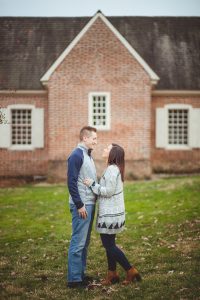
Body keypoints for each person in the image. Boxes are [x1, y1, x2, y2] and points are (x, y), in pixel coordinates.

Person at [84, 143, 142, 285]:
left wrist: (92, 184)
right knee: (110, 244)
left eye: (107, 148)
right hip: (113, 214)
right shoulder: (114, 169)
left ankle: (130, 270)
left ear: (113, 154)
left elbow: (108, 191)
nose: (104, 149)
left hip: (110, 215)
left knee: (109, 245)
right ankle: (112, 275)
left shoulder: (111, 169)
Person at [67, 126, 98, 288]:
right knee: (78, 242)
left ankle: (80, 274)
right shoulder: (76, 155)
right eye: (94, 138)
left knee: (84, 243)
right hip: (82, 206)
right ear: (85, 138)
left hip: (89, 204)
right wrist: (79, 205)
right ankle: (73, 280)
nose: (96, 141)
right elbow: (71, 182)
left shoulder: (88, 155)